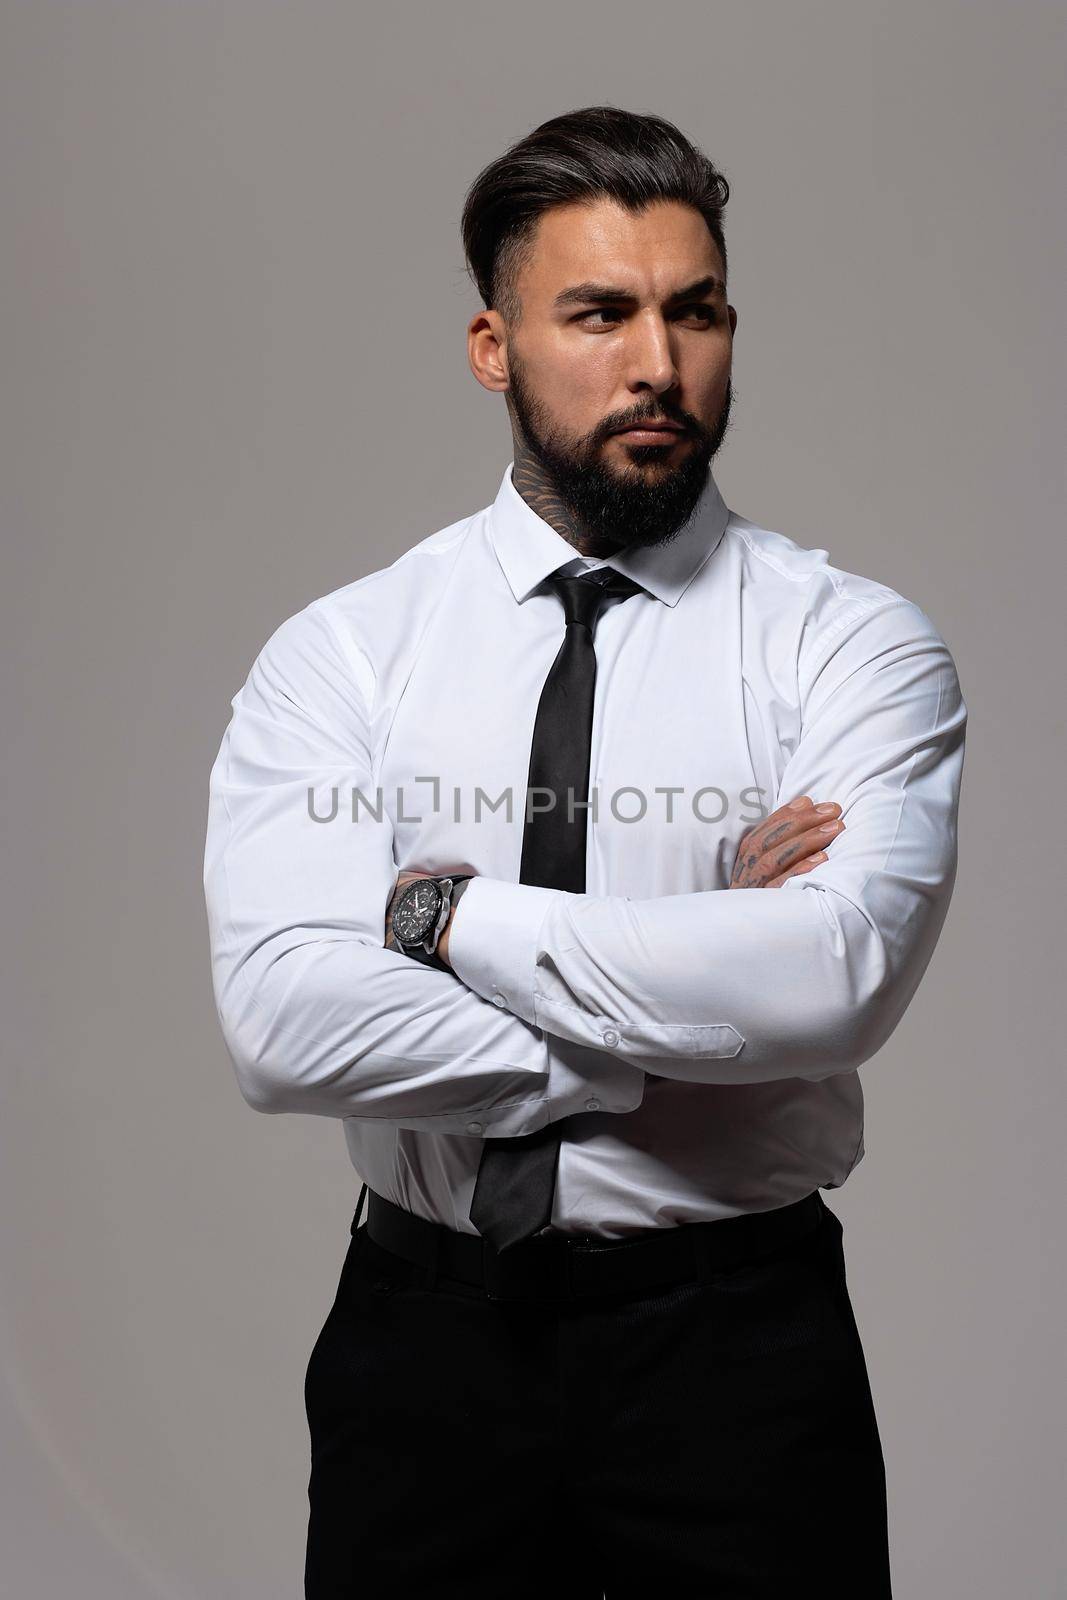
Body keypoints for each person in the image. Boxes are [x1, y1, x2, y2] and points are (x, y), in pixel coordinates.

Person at [203, 104, 966, 1599]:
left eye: (697, 311)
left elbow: (826, 991)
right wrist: (683, 997)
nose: (658, 366)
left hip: (739, 1351)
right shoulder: (346, 656)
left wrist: (436, 912)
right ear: (495, 346)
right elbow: (286, 1026)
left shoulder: (853, 647)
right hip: (423, 1350)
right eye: (599, 314)